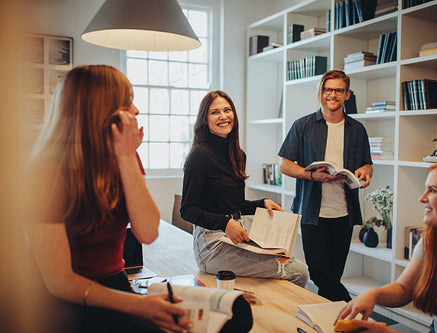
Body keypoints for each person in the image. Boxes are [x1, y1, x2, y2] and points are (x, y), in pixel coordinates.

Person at [24, 65, 192, 333]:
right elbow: (60, 281)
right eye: (127, 102)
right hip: (56, 299)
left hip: (113, 280)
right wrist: (138, 306)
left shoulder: (124, 156)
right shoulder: (46, 174)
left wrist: (127, 157)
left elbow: (147, 232)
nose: (136, 111)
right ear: (101, 110)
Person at [337, 159, 437, 333]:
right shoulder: (432, 241)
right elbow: (404, 289)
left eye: (433, 190)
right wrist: (372, 294)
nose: (422, 198)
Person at [181, 90, 308, 287]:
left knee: (286, 258)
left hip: (237, 235)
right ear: (205, 120)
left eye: (227, 110)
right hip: (211, 244)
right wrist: (225, 223)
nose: (223, 116)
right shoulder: (198, 156)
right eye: (215, 112)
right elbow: (187, 210)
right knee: (297, 271)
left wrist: (262, 203)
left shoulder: (238, 155)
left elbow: (236, 204)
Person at [278, 70, 373, 301]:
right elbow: (285, 165)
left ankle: (329, 322)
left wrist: (366, 172)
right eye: (328, 89)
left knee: (332, 276)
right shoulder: (303, 125)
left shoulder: (357, 129)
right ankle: (353, 311)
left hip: (344, 213)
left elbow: (367, 164)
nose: (333, 94)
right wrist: (311, 176)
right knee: (320, 273)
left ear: (347, 95)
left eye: (339, 90)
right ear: (321, 92)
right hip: (312, 213)